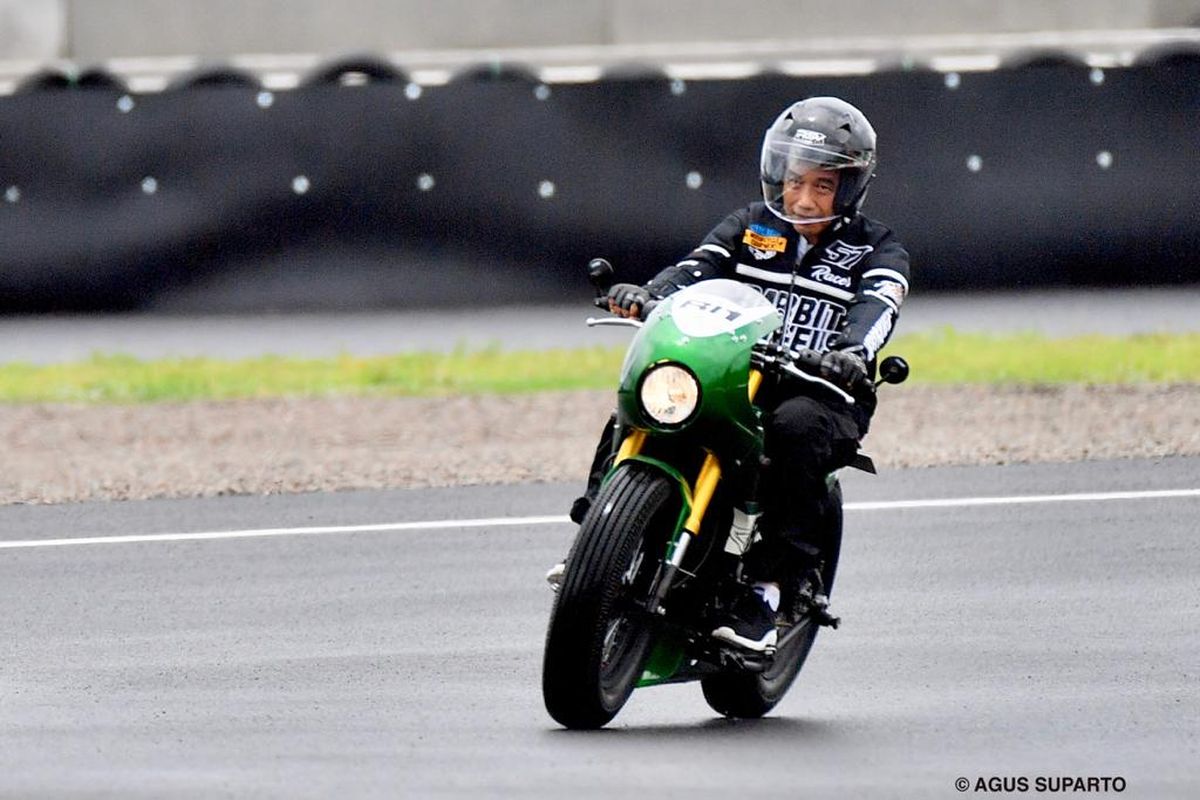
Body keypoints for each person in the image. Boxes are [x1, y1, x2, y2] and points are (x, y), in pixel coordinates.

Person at [557, 96, 911, 653]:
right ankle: (596, 539)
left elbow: (879, 308)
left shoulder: (877, 248)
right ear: (778, 174)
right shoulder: (749, 225)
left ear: (849, 189)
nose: (804, 196)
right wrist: (649, 295)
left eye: (823, 186)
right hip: (731, 369)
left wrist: (850, 353)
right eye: (796, 181)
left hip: (820, 387)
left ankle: (768, 593)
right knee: (654, 392)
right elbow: (699, 268)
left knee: (796, 431)